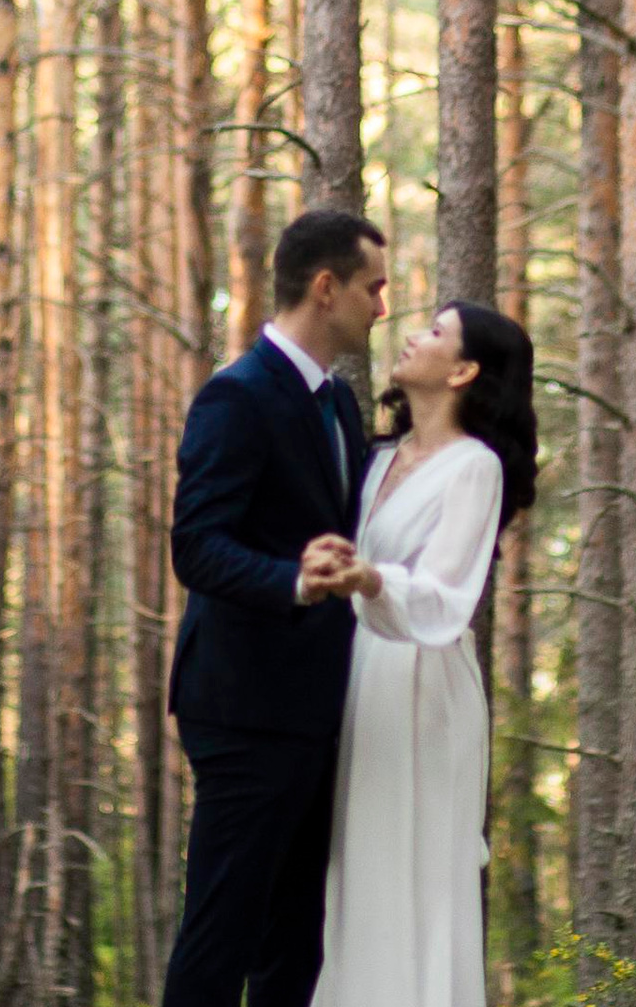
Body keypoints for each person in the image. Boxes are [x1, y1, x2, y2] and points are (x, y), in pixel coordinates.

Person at [161, 208, 390, 1007]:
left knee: (295, 946)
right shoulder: (236, 397)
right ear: (326, 289)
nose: (383, 307)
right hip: (244, 712)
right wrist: (294, 579)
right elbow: (196, 546)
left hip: (319, 711)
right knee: (222, 936)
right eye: (375, 287)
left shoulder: (338, 405)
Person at [305, 299, 539, 1007]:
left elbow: (445, 598)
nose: (411, 335)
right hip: (356, 681)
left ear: (464, 370)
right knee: (353, 878)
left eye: (435, 332)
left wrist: (372, 579)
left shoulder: (475, 467)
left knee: (414, 880)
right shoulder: (375, 459)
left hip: (421, 686)